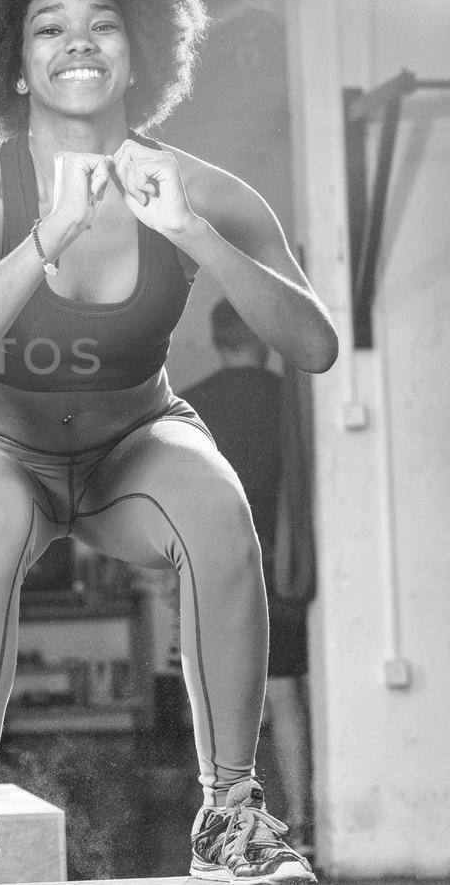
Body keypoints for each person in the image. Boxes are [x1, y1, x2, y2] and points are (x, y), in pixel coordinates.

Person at [0, 0, 337, 885]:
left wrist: (192, 235)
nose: (78, 40)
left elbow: (312, 344)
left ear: (138, 54)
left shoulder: (204, 190)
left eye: (100, 20)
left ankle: (230, 816)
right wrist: (43, 238)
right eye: (48, 25)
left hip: (132, 442)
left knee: (218, 507)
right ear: (11, 65)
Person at [180, 299, 315, 856]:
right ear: (260, 339)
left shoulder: (190, 404)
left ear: (216, 339)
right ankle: (303, 825)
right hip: (280, 564)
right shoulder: (288, 400)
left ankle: (225, 824)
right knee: (285, 693)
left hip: (213, 564)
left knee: (215, 696)